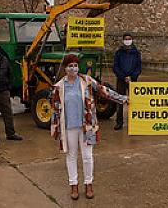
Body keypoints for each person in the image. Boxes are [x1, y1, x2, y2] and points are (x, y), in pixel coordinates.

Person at [51, 54, 128, 200]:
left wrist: (123, 99)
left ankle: (88, 184)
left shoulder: (86, 80)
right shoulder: (59, 86)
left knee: (87, 157)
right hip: (69, 127)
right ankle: (73, 185)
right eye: (70, 65)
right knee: (71, 156)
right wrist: (55, 129)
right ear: (65, 68)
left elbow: (103, 90)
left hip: (87, 126)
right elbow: (55, 109)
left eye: (75, 65)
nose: (73, 68)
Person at [112, 32, 141, 130]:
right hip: (121, 79)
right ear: (123, 40)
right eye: (126, 39)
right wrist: (123, 76)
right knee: (120, 100)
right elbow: (115, 66)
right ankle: (119, 122)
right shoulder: (119, 52)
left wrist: (132, 76)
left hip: (133, 80)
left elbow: (139, 67)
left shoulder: (136, 52)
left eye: (129, 38)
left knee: (133, 101)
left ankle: (134, 122)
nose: (127, 40)